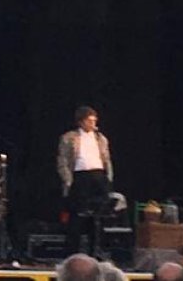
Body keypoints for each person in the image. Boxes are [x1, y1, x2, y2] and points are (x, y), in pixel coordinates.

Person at [57, 106, 113, 254]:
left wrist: (108, 178)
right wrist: (68, 180)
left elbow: (106, 159)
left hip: (99, 177)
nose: (93, 123)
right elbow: (62, 161)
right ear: (81, 122)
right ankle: (72, 252)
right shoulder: (69, 137)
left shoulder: (101, 138)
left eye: (94, 120)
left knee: (98, 216)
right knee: (77, 216)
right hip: (80, 177)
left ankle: (95, 251)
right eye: (89, 121)